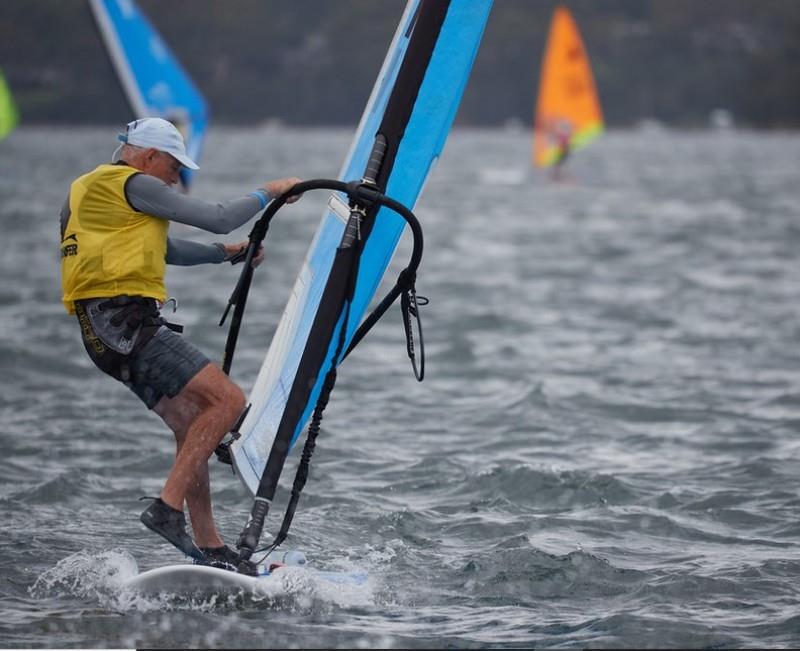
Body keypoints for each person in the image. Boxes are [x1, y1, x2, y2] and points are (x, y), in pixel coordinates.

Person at [59, 117, 302, 567]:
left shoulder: (88, 191)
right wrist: (272, 190)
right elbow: (218, 218)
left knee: (193, 420)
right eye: (173, 167)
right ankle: (167, 509)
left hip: (101, 334)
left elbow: (163, 250)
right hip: (125, 322)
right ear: (148, 156)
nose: (176, 179)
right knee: (227, 401)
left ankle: (209, 546)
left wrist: (225, 254)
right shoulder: (134, 182)